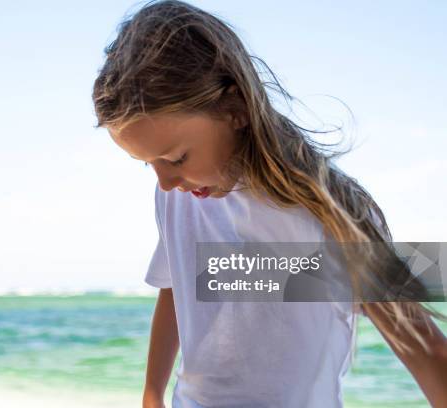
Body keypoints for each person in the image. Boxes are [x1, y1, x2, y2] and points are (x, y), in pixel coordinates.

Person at [91, 1, 447, 407]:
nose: (166, 181)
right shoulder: (177, 196)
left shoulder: (329, 208)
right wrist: (152, 393)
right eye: (147, 164)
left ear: (235, 108)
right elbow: (176, 289)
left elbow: (425, 350)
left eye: (175, 158)